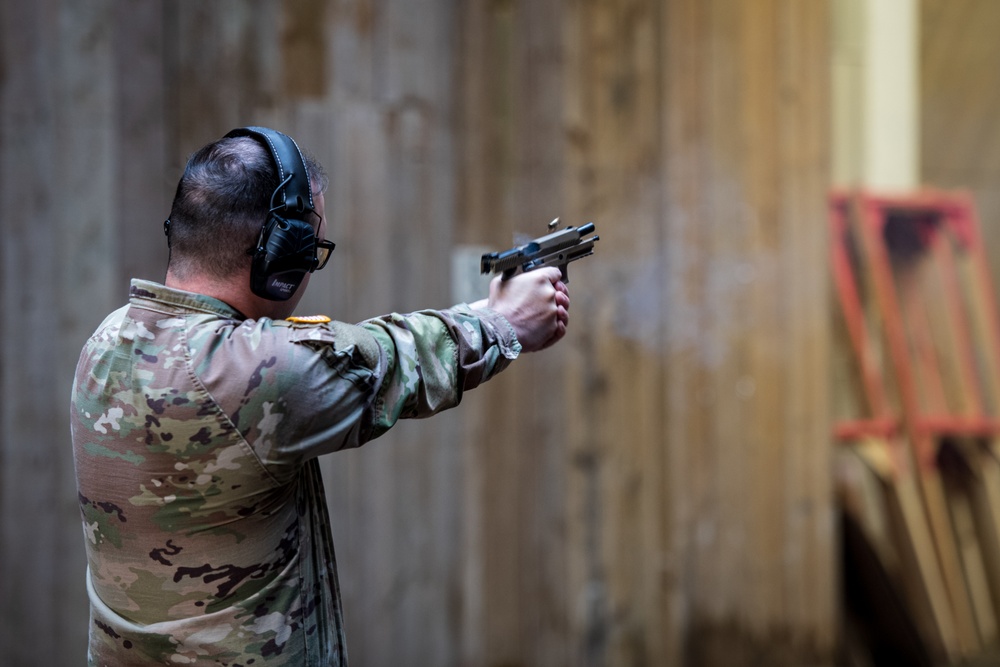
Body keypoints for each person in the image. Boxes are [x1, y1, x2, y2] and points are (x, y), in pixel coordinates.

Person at [70, 126, 569, 666]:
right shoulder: (246, 372)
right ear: (280, 252)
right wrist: (505, 322)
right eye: (311, 246)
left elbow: (356, 350)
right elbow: (393, 360)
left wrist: (486, 313)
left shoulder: (109, 339)